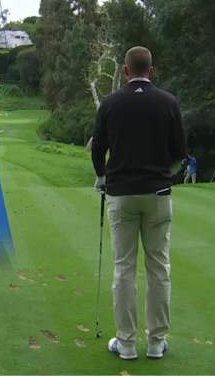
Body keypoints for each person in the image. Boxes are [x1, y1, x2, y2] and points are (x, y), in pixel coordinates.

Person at [91, 46, 186, 361]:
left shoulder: (110, 103)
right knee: (159, 268)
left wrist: (103, 177)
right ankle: (157, 343)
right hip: (158, 194)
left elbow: (97, 149)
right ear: (152, 70)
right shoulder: (168, 102)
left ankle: (127, 344)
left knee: (124, 269)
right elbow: (179, 152)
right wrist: (163, 174)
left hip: (121, 194)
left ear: (126, 71)